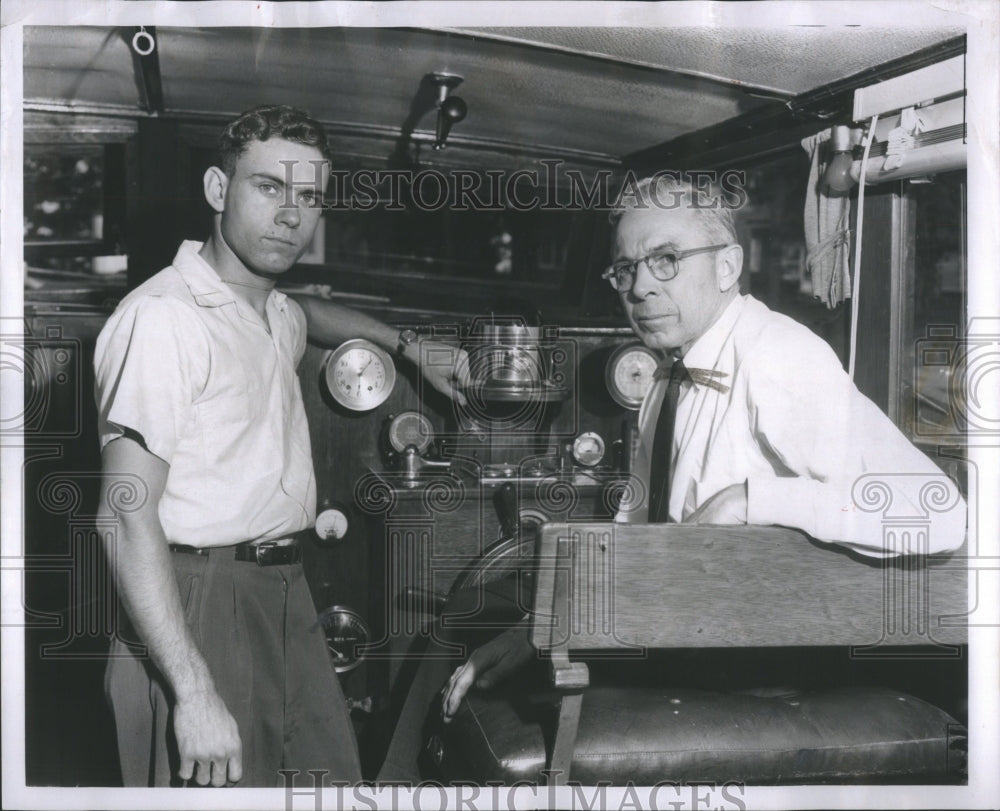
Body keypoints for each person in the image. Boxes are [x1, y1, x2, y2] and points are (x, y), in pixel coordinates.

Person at [377, 172, 967, 782]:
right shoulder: (666, 381)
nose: (639, 288)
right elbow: (632, 544)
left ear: (728, 266)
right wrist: (534, 633)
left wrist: (753, 498)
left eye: (665, 260)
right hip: (673, 637)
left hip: (755, 675)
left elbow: (939, 511)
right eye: (625, 269)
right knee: (456, 631)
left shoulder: (778, 357)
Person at [94, 104, 467, 788]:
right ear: (217, 190)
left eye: (310, 196)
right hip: (197, 596)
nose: (292, 215)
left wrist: (410, 345)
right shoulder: (163, 319)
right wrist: (196, 691)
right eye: (269, 188)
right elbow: (123, 514)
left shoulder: (270, 310)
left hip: (282, 593)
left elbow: (310, 311)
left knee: (329, 782)